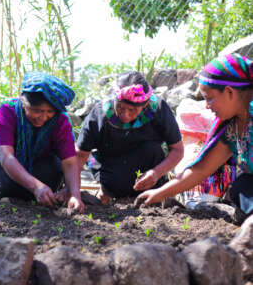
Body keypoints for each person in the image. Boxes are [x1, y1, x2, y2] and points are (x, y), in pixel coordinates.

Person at [136, 54, 253, 217]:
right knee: (242, 187)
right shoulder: (231, 129)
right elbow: (201, 170)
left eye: (209, 98)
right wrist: (160, 193)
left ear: (229, 92)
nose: (206, 105)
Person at [0, 72, 84, 213]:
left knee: (50, 185)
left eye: (49, 111)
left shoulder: (60, 120)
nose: (43, 117)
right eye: (37, 111)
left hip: (42, 155)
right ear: (23, 102)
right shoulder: (7, 111)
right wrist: (36, 186)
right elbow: (6, 157)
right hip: (2, 154)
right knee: (6, 187)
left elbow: (69, 162)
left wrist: (75, 195)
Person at [75, 71, 184, 204]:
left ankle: (154, 188)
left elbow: (178, 150)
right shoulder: (99, 114)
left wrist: (156, 173)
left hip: (149, 168)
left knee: (152, 149)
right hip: (111, 165)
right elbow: (80, 155)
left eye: (132, 110)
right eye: (120, 107)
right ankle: (108, 190)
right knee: (113, 181)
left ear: (144, 105)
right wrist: (72, 191)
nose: (125, 115)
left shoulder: (158, 109)